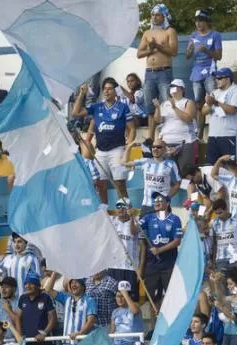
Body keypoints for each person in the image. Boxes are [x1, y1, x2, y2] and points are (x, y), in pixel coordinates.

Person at [72, 78, 136, 203]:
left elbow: (132, 128)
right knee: (100, 185)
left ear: (115, 91)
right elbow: (75, 113)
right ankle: (106, 215)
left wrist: (129, 146)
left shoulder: (123, 108)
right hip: (100, 151)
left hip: (117, 150)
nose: (106, 91)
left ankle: (125, 215)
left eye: (109, 89)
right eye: (104, 89)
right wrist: (82, 94)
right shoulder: (97, 107)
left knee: (120, 184)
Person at [137, 4, 178, 140]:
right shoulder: (147, 33)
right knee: (150, 107)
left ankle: (166, 136)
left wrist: (158, 46)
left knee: (167, 105)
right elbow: (139, 53)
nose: (155, 17)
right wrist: (152, 50)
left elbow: (174, 51)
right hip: (149, 73)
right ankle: (150, 138)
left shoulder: (170, 31)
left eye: (158, 14)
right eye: (153, 15)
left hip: (164, 72)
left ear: (164, 16)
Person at [203, 67, 237, 163]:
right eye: (216, 78)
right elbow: (203, 112)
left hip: (230, 135)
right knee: (210, 167)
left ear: (228, 79)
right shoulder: (214, 92)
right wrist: (209, 104)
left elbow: (233, 109)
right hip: (213, 136)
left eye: (220, 78)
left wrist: (215, 102)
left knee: (230, 168)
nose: (216, 80)